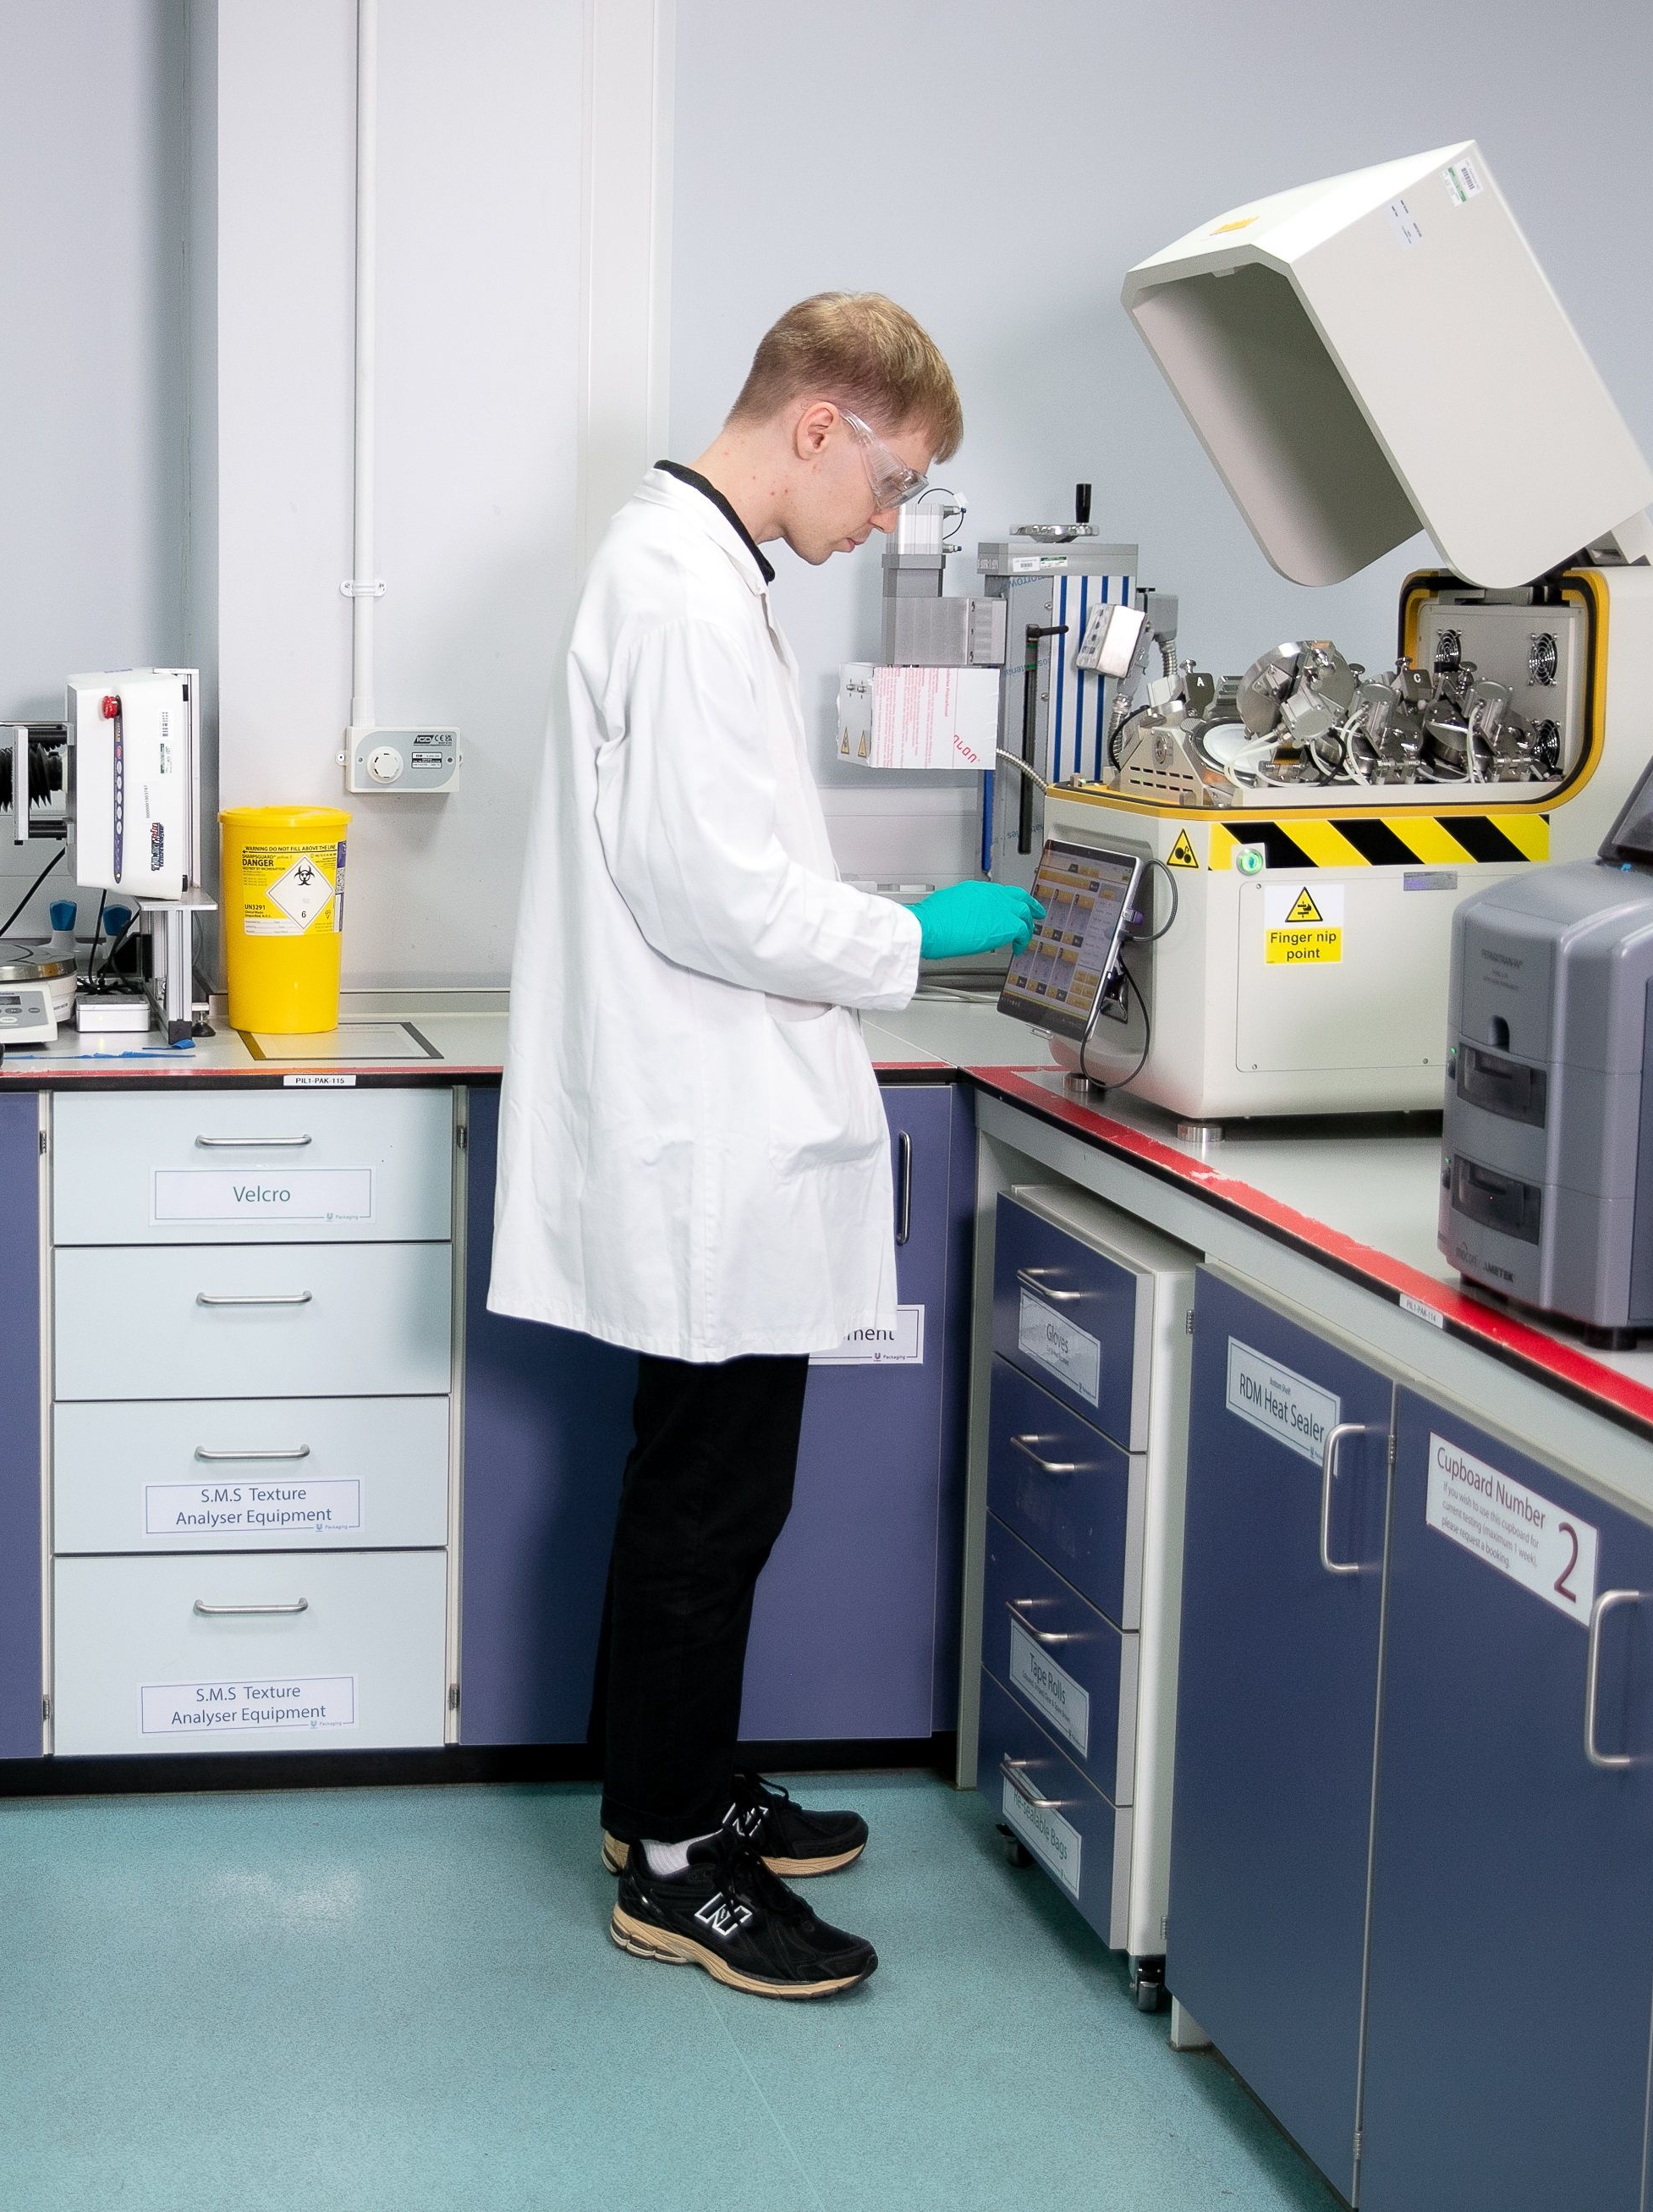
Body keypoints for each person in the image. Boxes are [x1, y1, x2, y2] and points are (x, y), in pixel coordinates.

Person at [490, 293, 1040, 2000]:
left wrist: (875, 921)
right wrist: (916, 932)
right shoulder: (671, 587)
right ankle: (670, 1861)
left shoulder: (705, 573)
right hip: (693, 1130)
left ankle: (667, 1787)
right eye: (893, 483)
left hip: (707, 1118)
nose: (888, 522)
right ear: (820, 421)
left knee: (695, 1486)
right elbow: (707, 888)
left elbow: (712, 858)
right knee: (707, 1504)